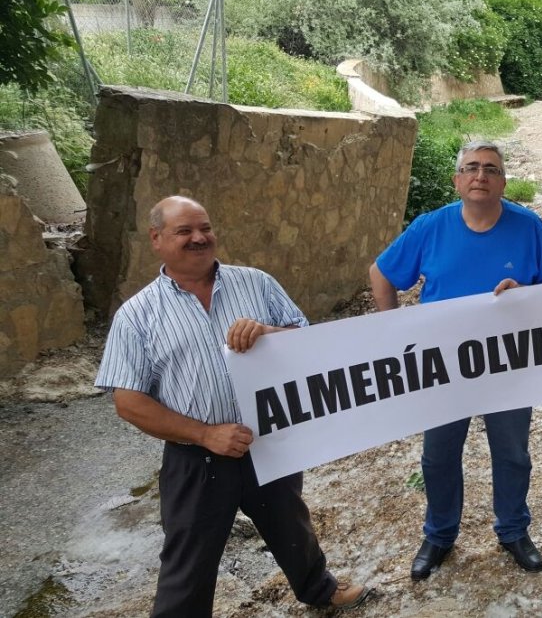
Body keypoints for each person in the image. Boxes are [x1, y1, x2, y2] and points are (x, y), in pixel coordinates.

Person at [94, 196, 369, 617]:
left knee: (291, 526)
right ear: (156, 239)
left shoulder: (255, 283)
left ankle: (320, 590)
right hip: (196, 458)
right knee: (187, 561)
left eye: (204, 228)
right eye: (184, 231)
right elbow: (128, 402)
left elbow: (312, 344)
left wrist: (270, 332)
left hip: (270, 441)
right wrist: (206, 434)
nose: (199, 238)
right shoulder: (136, 316)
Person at [369, 140, 542, 580]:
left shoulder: (529, 227)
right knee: (438, 457)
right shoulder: (429, 227)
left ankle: (513, 530)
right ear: (458, 180)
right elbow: (381, 273)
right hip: (443, 367)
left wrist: (527, 295)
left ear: (503, 182)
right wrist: (390, 330)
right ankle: (439, 535)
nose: (481, 176)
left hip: (510, 365)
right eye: (472, 168)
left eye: (491, 169)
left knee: (513, 454)